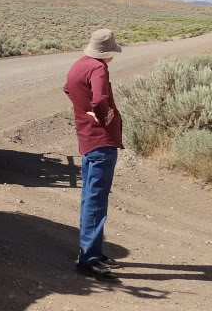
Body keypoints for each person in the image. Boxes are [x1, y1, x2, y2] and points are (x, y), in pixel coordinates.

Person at [64, 28, 124, 282]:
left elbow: (68, 89)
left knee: (91, 197)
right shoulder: (99, 68)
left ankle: (94, 252)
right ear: (107, 52)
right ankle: (88, 260)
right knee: (96, 201)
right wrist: (103, 117)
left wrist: (83, 111)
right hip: (102, 141)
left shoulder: (80, 64)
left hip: (87, 140)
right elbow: (100, 99)